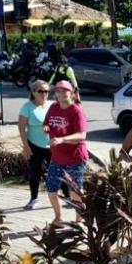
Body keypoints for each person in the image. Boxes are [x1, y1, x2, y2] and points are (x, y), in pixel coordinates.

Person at [43, 80, 88, 225]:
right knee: (51, 189)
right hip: (57, 158)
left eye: (65, 91)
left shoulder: (76, 111)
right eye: (58, 91)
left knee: (75, 191)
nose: (61, 94)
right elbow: (47, 122)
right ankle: (58, 217)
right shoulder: (53, 107)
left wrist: (62, 139)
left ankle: (79, 220)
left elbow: (82, 136)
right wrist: (46, 128)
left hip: (75, 158)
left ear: (72, 93)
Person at [18, 80, 57, 210]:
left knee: (58, 171)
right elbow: (21, 128)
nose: (44, 94)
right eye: (41, 91)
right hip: (34, 145)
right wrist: (26, 146)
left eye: (47, 91)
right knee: (35, 172)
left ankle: (66, 197)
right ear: (33, 92)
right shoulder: (27, 107)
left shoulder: (53, 105)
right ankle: (34, 199)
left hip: (53, 146)